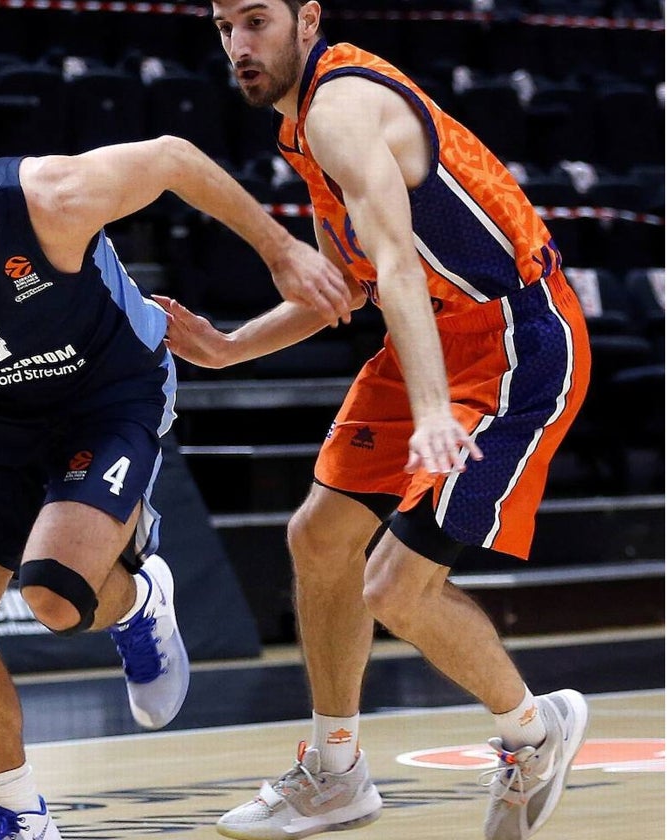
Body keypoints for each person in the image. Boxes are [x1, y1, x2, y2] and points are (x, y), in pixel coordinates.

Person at [0, 92, 350, 840]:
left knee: (52, 596)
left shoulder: (45, 199)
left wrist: (282, 253)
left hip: (110, 393)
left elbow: (174, 158)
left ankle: (139, 602)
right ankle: (19, 813)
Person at [158, 2, 593, 839]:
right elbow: (351, 286)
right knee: (318, 537)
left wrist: (433, 413)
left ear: (307, 17)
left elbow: (393, 258)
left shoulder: (341, 107)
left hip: (513, 343)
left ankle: (536, 732)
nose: (239, 46)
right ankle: (336, 771)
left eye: (256, 21)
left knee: (394, 586)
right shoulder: (299, 129)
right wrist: (226, 349)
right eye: (224, 28)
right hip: (424, 333)